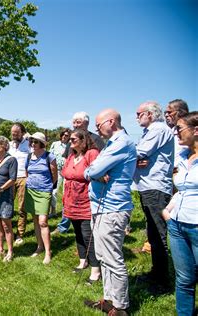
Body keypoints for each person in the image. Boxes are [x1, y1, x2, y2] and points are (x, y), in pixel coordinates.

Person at [84, 109, 136, 315]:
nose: (96, 129)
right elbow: (91, 170)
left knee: (113, 258)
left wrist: (93, 172)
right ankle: (108, 299)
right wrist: (93, 171)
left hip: (112, 208)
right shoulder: (111, 144)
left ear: (111, 122)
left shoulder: (122, 143)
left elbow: (92, 171)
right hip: (101, 207)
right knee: (103, 256)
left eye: (98, 125)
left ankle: (121, 307)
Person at [133, 101, 174, 291]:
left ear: (150, 114)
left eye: (139, 113)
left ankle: (163, 280)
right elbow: (138, 155)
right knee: (153, 233)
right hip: (148, 186)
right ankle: (156, 273)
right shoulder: (149, 131)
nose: (136, 117)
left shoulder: (158, 129)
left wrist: (133, 157)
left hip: (155, 187)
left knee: (158, 233)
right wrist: (136, 160)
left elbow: (139, 152)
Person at [162, 111, 198, 316]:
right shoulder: (183, 158)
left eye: (179, 129)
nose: (176, 133)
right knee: (184, 278)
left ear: (196, 130)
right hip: (177, 224)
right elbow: (182, 189)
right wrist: (168, 211)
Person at [53, 111, 105, 235]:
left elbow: (100, 162)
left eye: (78, 122)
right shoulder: (72, 140)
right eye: (74, 122)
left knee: (85, 226)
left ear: (86, 123)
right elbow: (67, 158)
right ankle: (63, 226)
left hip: (86, 186)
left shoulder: (95, 139)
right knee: (69, 206)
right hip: (71, 180)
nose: (75, 125)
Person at [62, 129, 100, 283]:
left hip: (85, 200)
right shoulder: (72, 155)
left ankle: (96, 270)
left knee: (87, 234)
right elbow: (65, 173)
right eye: (70, 140)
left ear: (84, 140)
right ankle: (82, 260)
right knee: (77, 232)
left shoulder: (91, 154)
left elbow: (97, 174)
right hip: (71, 200)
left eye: (73, 139)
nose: (70, 142)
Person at [24, 132, 57, 264]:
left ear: (42, 143)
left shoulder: (49, 156)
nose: (33, 144)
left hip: (44, 191)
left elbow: (54, 175)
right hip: (31, 191)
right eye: (32, 141)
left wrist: (49, 186)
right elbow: (27, 172)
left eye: (36, 142)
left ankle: (48, 252)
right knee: (36, 220)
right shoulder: (29, 156)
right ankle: (39, 246)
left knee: (43, 221)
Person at [0, 136, 18, 262]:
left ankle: (10, 251)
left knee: (6, 224)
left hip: (5, 195)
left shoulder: (11, 160)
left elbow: (12, 179)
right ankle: (0, 248)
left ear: (4, 146)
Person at [8, 123, 30, 246]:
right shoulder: (9, 145)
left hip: (23, 177)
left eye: (16, 133)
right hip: (10, 178)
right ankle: (8, 230)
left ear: (22, 132)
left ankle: (20, 233)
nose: (14, 135)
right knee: (8, 205)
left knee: (22, 207)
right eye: (12, 133)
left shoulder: (28, 144)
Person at [48, 128, 71, 217]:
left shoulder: (70, 146)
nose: (65, 137)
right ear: (61, 135)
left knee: (66, 193)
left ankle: (64, 214)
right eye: (64, 135)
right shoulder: (55, 144)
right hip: (57, 170)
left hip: (67, 172)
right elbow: (50, 156)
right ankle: (53, 211)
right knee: (54, 191)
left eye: (67, 136)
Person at [165, 99, 189, 169]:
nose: (166, 115)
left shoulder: (191, 130)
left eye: (169, 112)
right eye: (166, 112)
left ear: (181, 112)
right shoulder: (170, 131)